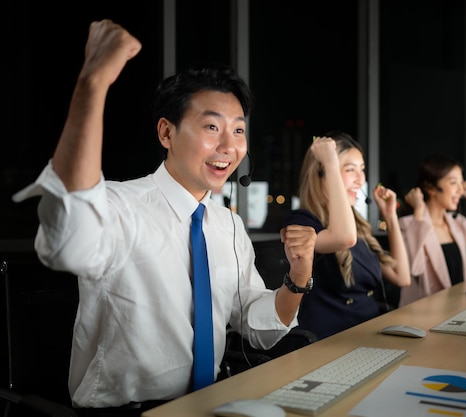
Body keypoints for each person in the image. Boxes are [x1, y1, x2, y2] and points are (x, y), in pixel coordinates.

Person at [11, 19, 317, 414]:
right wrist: (93, 83)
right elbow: (68, 240)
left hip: (211, 402)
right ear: (166, 134)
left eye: (238, 131)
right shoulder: (121, 206)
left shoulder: (228, 225)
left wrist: (297, 277)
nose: (229, 146)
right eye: (211, 126)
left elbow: (258, 329)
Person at [283, 131, 411, 340]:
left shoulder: (356, 224)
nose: (361, 180)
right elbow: (344, 238)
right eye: (350, 169)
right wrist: (331, 163)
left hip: (369, 331)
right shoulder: (302, 222)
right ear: (322, 173)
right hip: (332, 341)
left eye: (362, 170)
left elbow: (402, 277)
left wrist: (390, 216)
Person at [398, 152, 466, 306]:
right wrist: (418, 211)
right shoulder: (408, 225)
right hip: (423, 317)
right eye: (453, 183)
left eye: (461, 184)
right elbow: (412, 269)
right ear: (431, 188)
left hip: (458, 311)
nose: (460, 190)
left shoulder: (459, 224)